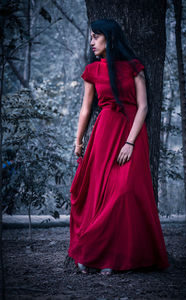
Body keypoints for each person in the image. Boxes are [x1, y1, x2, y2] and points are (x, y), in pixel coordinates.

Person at [68, 19, 169, 275]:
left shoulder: (135, 67)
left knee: (123, 192)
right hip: (103, 133)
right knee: (96, 195)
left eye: (95, 37)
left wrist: (130, 142)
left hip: (130, 132)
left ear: (109, 38)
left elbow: (143, 107)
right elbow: (85, 109)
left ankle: (117, 257)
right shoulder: (92, 70)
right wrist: (78, 140)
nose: (91, 42)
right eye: (91, 37)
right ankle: (92, 253)